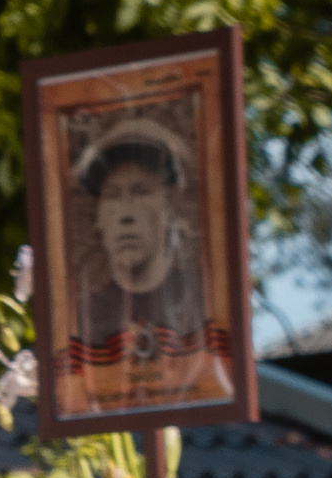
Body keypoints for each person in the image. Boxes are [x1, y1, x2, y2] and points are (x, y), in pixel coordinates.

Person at [62, 117, 235, 416]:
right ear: (99, 219)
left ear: (170, 205)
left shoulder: (205, 304)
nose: (125, 215)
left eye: (141, 191)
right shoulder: (82, 318)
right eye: (113, 196)